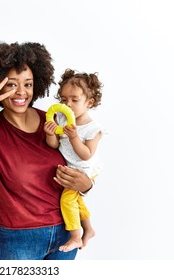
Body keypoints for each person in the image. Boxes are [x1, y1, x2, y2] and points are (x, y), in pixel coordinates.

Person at [0, 41, 94, 260]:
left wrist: (87, 185)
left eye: (28, 84)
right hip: (18, 240)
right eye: (11, 84)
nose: (21, 92)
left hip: (65, 233)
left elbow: (80, 159)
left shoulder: (53, 120)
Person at [44, 68, 105, 252]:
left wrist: (74, 137)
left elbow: (86, 154)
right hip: (71, 168)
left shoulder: (92, 128)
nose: (68, 104)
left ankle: (75, 236)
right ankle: (88, 229)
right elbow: (54, 146)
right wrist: (51, 133)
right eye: (64, 99)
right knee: (76, 201)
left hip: (85, 169)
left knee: (67, 201)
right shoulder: (61, 118)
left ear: (89, 102)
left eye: (74, 100)